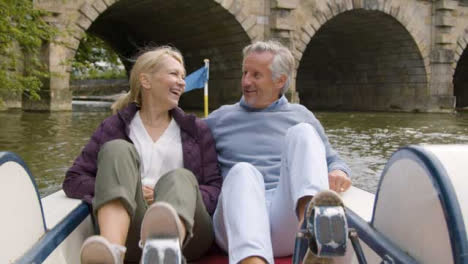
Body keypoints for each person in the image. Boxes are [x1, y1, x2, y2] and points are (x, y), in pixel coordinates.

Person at [63, 46, 222, 264]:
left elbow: (215, 189)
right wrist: (128, 188)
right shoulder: (114, 127)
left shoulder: (196, 130)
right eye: (174, 74)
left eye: (183, 77)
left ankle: (167, 251)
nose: (182, 82)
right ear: (146, 81)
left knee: (179, 178)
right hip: (131, 230)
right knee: (116, 148)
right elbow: (74, 181)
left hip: (189, 237)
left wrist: (166, 195)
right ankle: (113, 252)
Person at [204, 40, 352, 264]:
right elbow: (184, 147)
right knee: (243, 171)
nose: (246, 81)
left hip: (287, 221)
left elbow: (332, 159)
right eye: (245, 72)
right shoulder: (219, 119)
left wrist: (339, 171)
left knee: (302, 132)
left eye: (256, 75)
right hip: (236, 222)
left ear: (280, 80)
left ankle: (312, 228)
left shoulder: (301, 115)